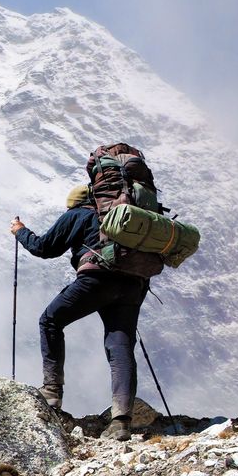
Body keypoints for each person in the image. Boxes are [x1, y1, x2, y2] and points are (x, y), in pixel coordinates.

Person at [9, 184, 148, 441]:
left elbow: (44, 248)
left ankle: (51, 391)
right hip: (133, 284)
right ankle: (121, 422)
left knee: (50, 320)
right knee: (120, 345)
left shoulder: (78, 214)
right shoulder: (125, 219)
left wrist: (20, 232)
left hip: (96, 280)